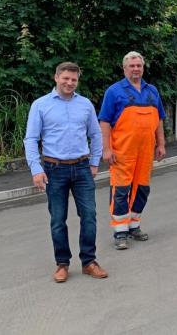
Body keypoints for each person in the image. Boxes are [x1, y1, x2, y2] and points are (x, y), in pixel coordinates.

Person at [24, 62, 108, 283]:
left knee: (89, 216)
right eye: (66, 78)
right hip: (54, 169)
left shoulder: (85, 104)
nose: (70, 83)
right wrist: (36, 168)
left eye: (74, 79)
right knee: (58, 220)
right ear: (56, 77)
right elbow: (31, 139)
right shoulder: (40, 105)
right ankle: (62, 263)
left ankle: (89, 261)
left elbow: (96, 134)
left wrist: (94, 162)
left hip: (82, 168)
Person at [98, 51, 166, 250]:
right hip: (122, 151)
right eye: (132, 66)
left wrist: (161, 144)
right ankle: (120, 231)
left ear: (143, 68)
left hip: (146, 151)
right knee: (121, 190)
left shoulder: (152, 91)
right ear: (124, 68)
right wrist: (106, 149)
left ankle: (134, 225)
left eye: (139, 65)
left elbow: (159, 119)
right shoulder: (114, 91)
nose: (136, 69)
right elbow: (105, 121)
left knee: (142, 188)